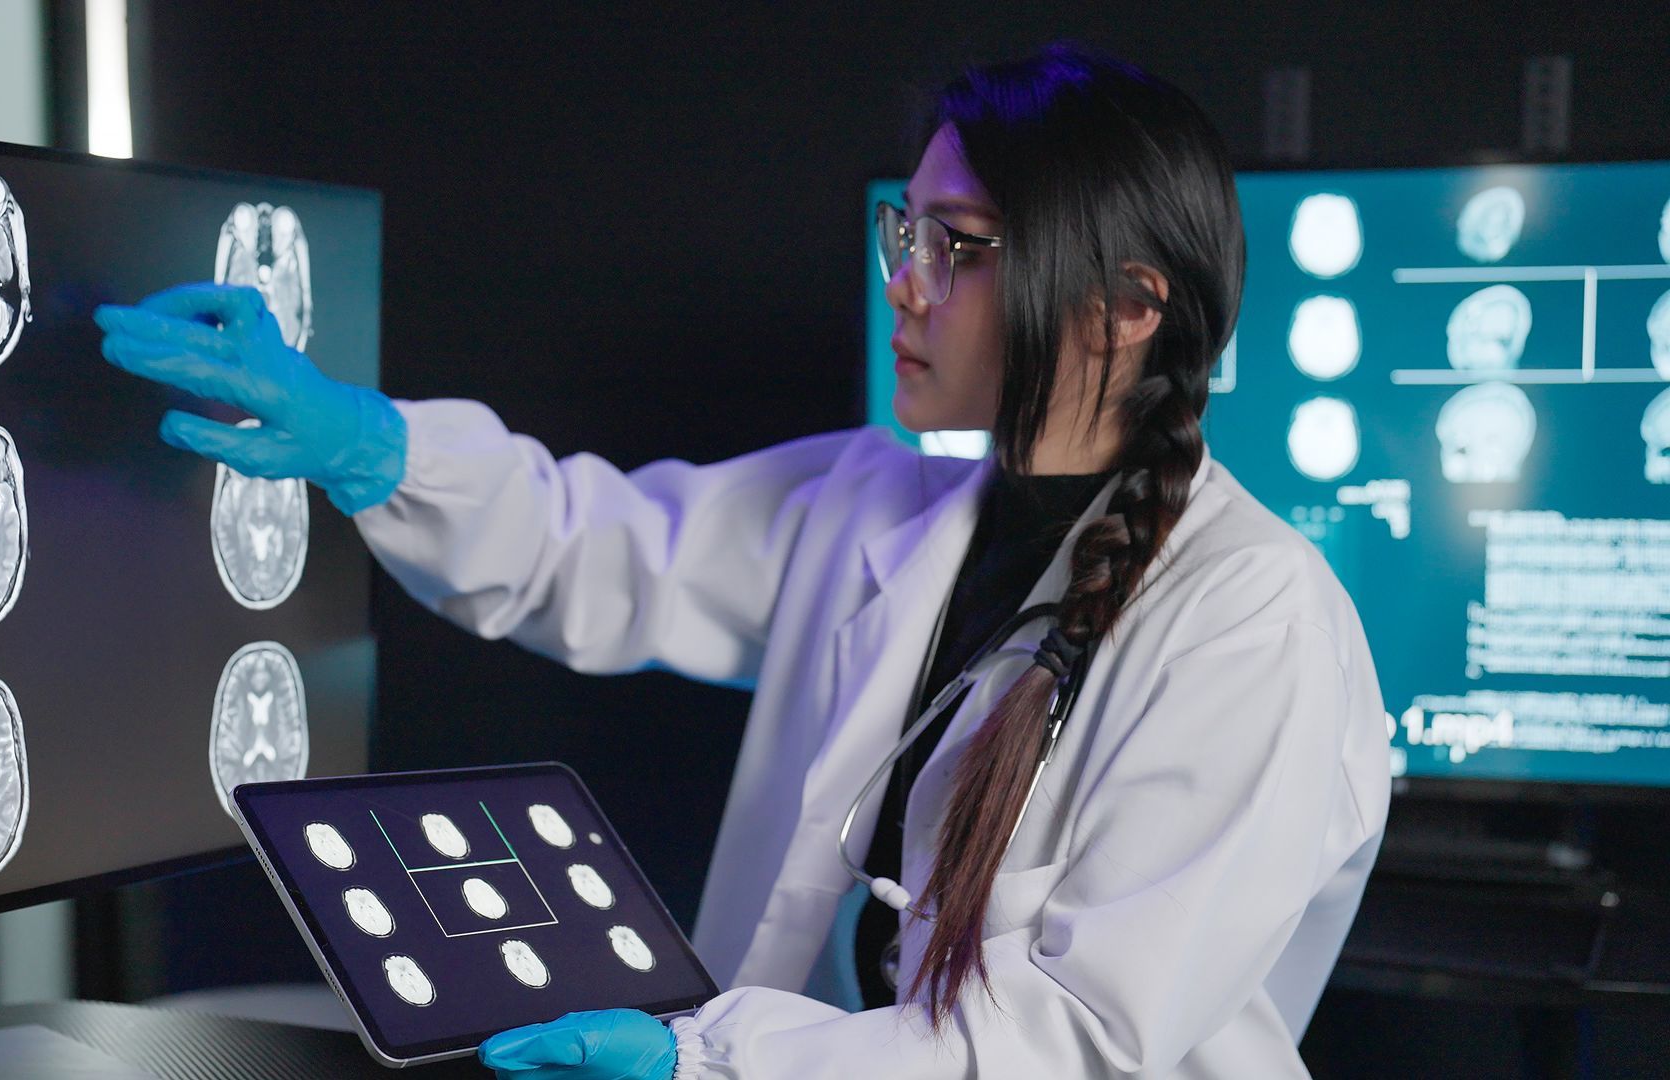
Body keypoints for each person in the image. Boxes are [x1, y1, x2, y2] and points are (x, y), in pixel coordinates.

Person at [95, 43, 1390, 1080]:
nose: (909, 284)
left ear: (1126, 304)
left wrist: (706, 1062)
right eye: (907, 235)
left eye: (961, 248)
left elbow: (1080, 1045)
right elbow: (590, 554)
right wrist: (367, 444)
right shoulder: (875, 501)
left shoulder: (1249, 621)